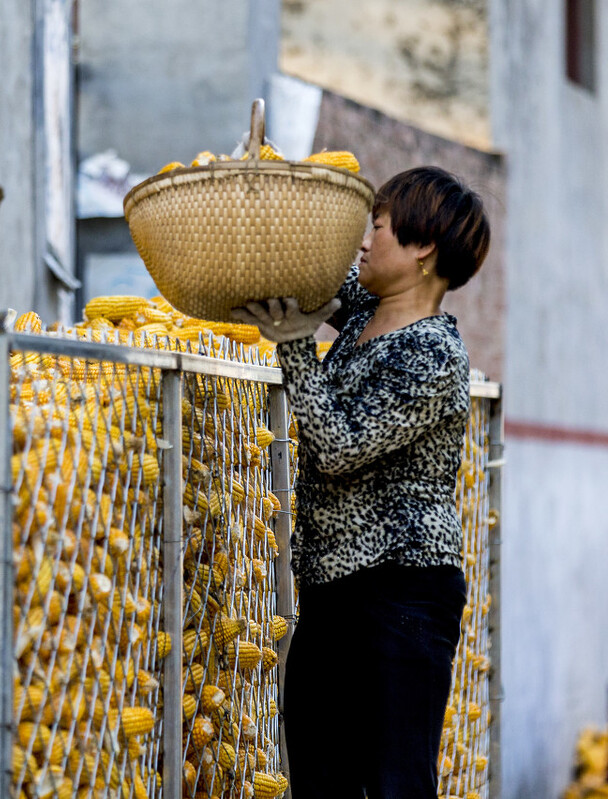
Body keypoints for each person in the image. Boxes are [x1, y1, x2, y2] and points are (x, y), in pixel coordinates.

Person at [231, 166, 492, 798]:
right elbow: (307, 277)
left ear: (423, 248)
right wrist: (261, 194)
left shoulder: (432, 354)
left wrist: (296, 345)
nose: (364, 241)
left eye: (378, 227)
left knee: (396, 786)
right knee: (321, 782)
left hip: (401, 595)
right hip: (332, 593)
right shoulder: (367, 311)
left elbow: (339, 449)